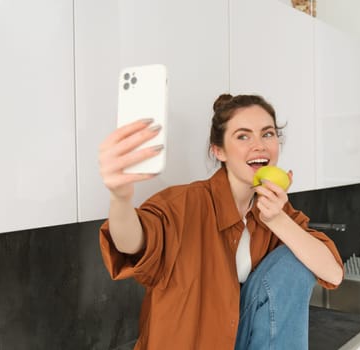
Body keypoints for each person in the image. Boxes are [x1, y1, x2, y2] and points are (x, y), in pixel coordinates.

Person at [98, 94, 343, 350]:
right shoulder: (184, 203)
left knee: (296, 258)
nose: (259, 145)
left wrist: (278, 220)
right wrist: (120, 198)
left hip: (242, 340)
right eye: (243, 136)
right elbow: (131, 243)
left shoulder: (276, 208)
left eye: (268, 134)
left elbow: (333, 274)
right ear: (219, 151)